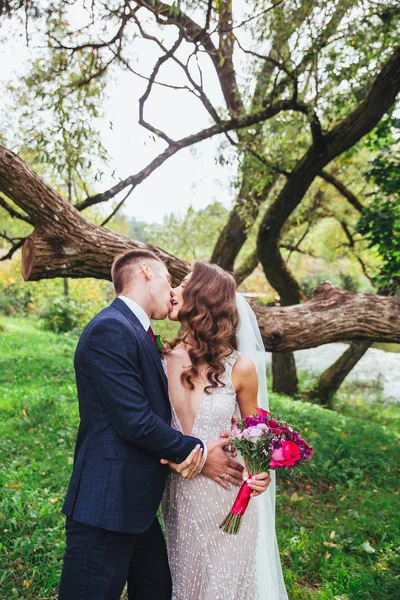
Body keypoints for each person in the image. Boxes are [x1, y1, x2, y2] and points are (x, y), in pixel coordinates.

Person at [58, 249, 244, 600]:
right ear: (146, 272)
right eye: (169, 280)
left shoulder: (137, 332)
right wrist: (199, 453)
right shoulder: (110, 329)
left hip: (136, 508)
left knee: (157, 589)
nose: (172, 290)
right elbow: (136, 421)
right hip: (105, 506)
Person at [161, 261, 288, 600]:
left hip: (226, 497)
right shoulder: (158, 359)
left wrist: (261, 474)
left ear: (202, 299)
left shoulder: (240, 367)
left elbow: (257, 435)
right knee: (185, 583)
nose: (173, 290)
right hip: (178, 495)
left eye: (183, 284)